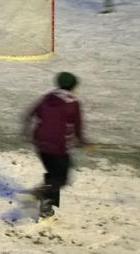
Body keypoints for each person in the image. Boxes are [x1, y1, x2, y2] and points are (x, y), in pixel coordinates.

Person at [22, 72, 88, 221]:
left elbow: (28, 115)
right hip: (58, 146)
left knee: (53, 175)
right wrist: (82, 141)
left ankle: (46, 208)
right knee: (62, 178)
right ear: (73, 86)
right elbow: (77, 126)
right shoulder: (72, 103)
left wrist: (27, 134)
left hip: (40, 143)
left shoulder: (47, 97)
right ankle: (40, 192)